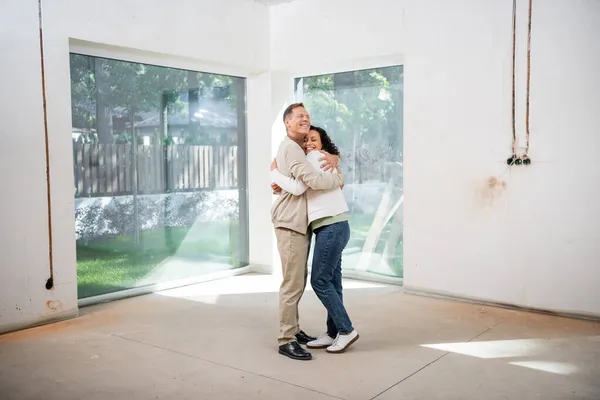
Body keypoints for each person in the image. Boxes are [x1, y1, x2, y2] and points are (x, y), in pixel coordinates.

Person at [271, 126, 359, 354]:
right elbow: (301, 182)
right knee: (332, 282)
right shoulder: (315, 158)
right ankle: (333, 332)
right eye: (306, 140)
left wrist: (275, 173)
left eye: (314, 139)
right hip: (332, 225)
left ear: (322, 144)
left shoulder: (312, 157)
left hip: (331, 225)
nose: (309, 143)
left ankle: (346, 330)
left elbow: (299, 186)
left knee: (319, 281)